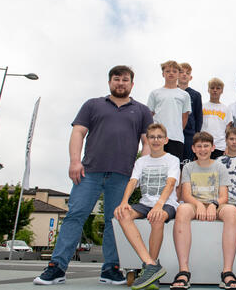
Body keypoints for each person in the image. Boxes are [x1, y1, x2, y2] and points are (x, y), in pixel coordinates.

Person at [33, 66, 153, 285]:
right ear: (110, 82)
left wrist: (139, 172)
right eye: (116, 79)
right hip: (89, 172)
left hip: (122, 175)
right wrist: (74, 161)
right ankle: (57, 267)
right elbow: (78, 132)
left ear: (132, 85)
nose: (121, 83)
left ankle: (110, 269)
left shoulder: (142, 110)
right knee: (75, 216)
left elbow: (147, 142)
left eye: (125, 80)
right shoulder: (92, 104)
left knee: (115, 221)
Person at [172, 132, 236, 290]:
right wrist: (199, 205)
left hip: (215, 203)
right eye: (199, 146)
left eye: (206, 146)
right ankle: (183, 271)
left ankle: (227, 272)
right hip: (194, 202)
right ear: (193, 148)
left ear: (213, 147)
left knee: (231, 211)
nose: (202, 149)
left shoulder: (219, 166)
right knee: (182, 209)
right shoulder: (189, 167)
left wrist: (213, 204)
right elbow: (186, 195)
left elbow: (224, 196)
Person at [114, 123, 179, 290]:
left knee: (157, 218)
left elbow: (170, 183)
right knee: (122, 214)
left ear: (166, 140)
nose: (155, 140)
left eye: (159, 137)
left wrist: (159, 206)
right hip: (145, 203)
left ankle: (152, 267)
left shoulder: (172, 160)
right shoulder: (141, 161)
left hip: (166, 203)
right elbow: (133, 182)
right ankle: (150, 265)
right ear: (147, 140)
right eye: (152, 137)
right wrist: (124, 202)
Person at [147, 60, 191, 161]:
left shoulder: (184, 95)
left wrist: (176, 130)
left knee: (174, 169)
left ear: (178, 74)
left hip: (176, 138)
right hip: (157, 138)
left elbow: (184, 117)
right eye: (168, 71)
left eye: (174, 71)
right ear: (163, 74)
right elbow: (150, 115)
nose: (171, 73)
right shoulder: (155, 93)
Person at [201, 77, 233, 159]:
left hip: (220, 146)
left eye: (218, 88)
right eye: (212, 88)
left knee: (217, 171)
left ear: (221, 91)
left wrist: (228, 146)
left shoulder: (226, 109)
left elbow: (228, 130)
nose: (215, 90)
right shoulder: (202, 107)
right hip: (203, 145)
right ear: (208, 90)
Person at [178, 62, 203, 163]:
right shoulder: (171, 92)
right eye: (181, 72)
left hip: (189, 135)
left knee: (187, 164)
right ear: (177, 74)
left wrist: (196, 137)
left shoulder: (196, 95)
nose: (184, 74)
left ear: (190, 77)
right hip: (173, 134)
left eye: (187, 73)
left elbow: (198, 117)